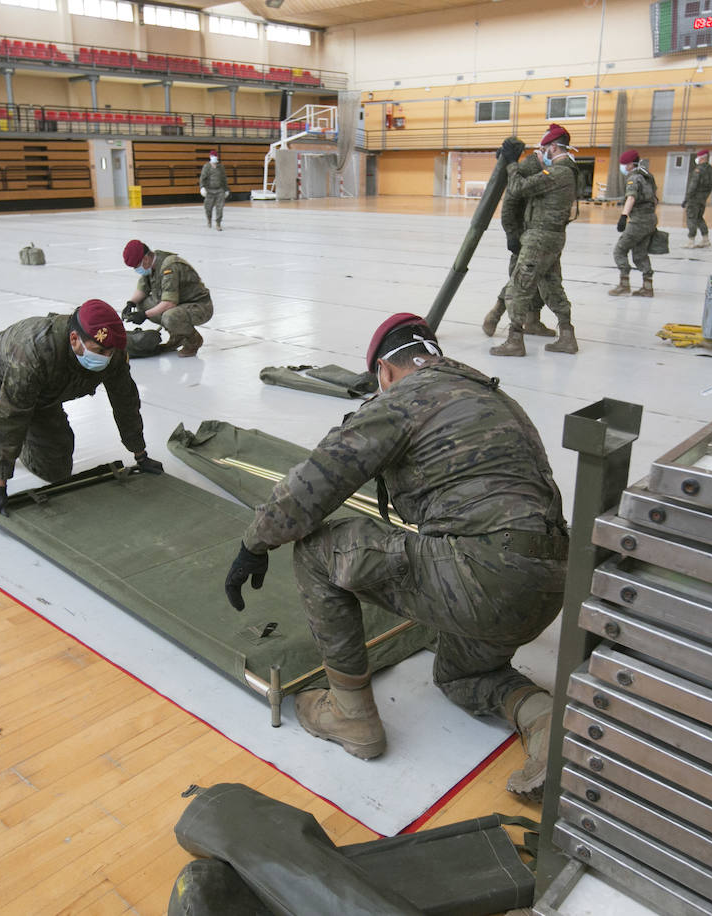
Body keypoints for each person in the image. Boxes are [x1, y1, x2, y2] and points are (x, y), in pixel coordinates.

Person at [223, 314, 569, 801]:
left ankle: (351, 716)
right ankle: (548, 724)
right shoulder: (492, 396)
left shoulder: (406, 398)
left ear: (385, 370)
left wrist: (253, 543)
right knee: (463, 675)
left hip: (484, 575)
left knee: (319, 550)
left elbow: (313, 484)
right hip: (548, 584)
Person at [0, 298, 164, 527]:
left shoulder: (112, 353)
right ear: (74, 339)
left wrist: (140, 453)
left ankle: (18, 443)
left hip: (40, 395)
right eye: (99, 350)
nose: (105, 357)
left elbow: (125, 401)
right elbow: (10, 415)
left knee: (56, 471)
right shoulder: (35, 350)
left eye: (109, 352)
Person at [491, 124, 581, 356]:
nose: (543, 153)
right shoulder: (569, 170)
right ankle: (567, 335)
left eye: (544, 149)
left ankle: (514, 341)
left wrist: (512, 163)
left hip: (539, 237)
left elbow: (518, 187)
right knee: (552, 285)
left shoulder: (559, 172)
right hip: (553, 237)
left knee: (519, 287)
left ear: (553, 147)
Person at [480, 146, 553, 341]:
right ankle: (495, 315)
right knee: (519, 279)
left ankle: (532, 320)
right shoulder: (528, 167)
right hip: (524, 235)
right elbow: (510, 203)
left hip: (538, 232)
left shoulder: (549, 168)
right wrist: (512, 235)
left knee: (537, 277)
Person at [120, 239, 212, 357]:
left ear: (146, 259)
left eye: (136, 266)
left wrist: (145, 315)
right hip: (180, 304)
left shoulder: (169, 266)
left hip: (200, 306)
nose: (136, 270)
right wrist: (131, 303)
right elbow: (143, 289)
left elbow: (169, 303)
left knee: (170, 317)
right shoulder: (151, 265)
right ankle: (177, 336)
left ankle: (194, 341)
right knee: (142, 303)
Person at [610, 149, 658, 298]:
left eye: (624, 164)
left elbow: (631, 198)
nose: (623, 167)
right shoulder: (647, 176)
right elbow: (655, 199)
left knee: (620, 249)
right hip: (650, 219)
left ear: (630, 165)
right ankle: (647, 287)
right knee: (640, 253)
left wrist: (624, 216)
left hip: (638, 221)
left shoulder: (634, 178)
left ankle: (624, 285)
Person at [683, 149, 712, 248]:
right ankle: (705, 239)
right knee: (699, 218)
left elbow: (693, 185)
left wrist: (687, 198)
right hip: (703, 198)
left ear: (702, 158)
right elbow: (711, 186)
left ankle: (691, 241)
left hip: (694, 198)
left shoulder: (698, 170)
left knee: (691, 218)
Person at [199, 150, 228, 231]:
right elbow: (202, 178)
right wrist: (202, 187)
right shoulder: (206, 167)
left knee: (220, 208)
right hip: (209, 190)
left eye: (215, 156)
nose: (214, 158)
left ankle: (218, 224)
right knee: (208, 207)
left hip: (219, 190)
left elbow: (224, 179)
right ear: (210, 157)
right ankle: (209, 219)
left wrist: (226, 190)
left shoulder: (220, 167)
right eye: (212, 156)